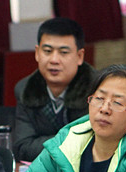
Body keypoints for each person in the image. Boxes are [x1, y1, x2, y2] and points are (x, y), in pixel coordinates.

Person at [13, 17, 96, 162]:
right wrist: (71, 140)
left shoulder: (99, 89)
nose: (54, 60)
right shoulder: (25, 90)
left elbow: (96, 145)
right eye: (47, 51)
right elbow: (23, 148)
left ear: (79, 56)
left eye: (63, 52)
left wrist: (44, 142)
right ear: (37, 53)